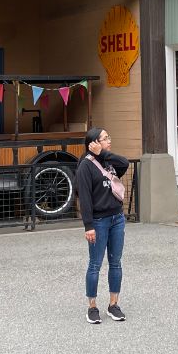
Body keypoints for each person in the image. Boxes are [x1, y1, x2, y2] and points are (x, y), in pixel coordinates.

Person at [76, 126, 129, 324]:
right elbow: (85, 198)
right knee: (95, 264)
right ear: (94, 143)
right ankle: (92, 307)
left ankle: (113, 304)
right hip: (98, 221)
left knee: (115, 262)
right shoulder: (85, 166)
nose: (109, 141)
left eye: (108, 137)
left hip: (117, 218)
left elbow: (124, 163)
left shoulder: (108, 161)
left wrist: (104, 154)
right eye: (105, 138)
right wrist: (88, 225)